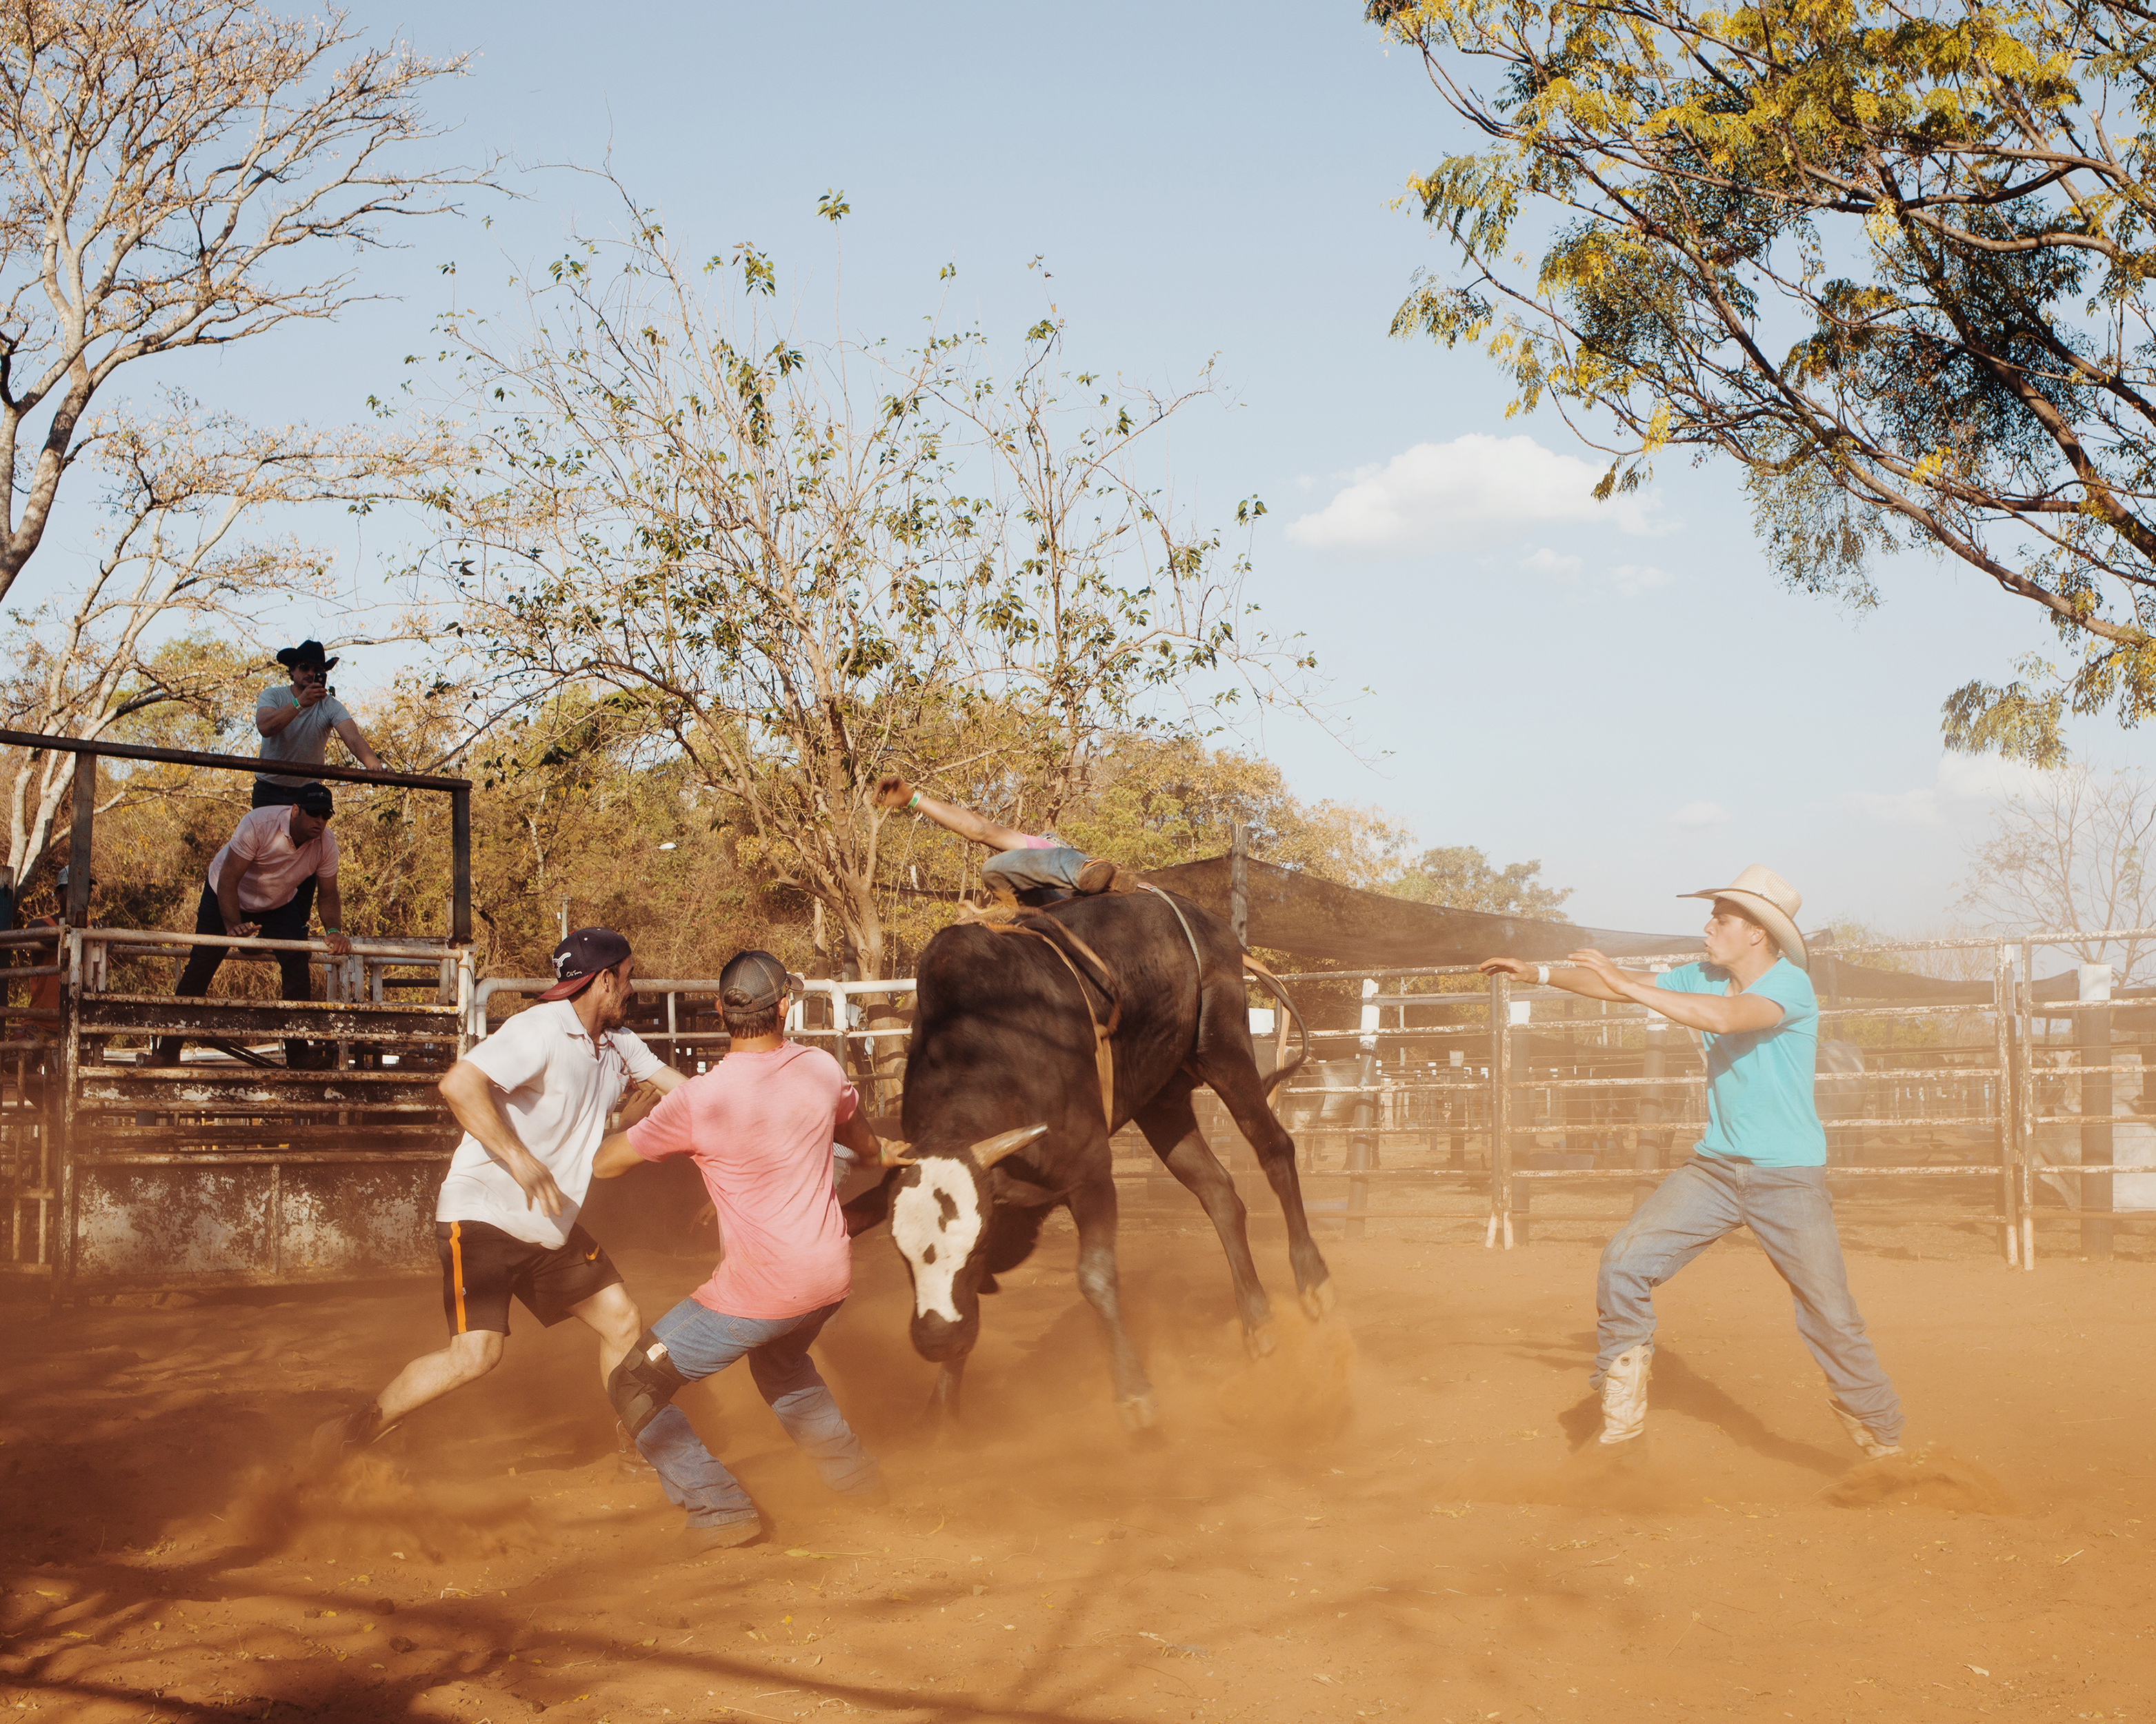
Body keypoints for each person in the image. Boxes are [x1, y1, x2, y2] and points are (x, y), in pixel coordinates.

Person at [1479, 864, 1906, 1462]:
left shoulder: (1790, 986)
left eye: (1721, 919)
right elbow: (1616, 982)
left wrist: (1627, 987)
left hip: (1786, 1176)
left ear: (1757, 933)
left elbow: (1723, 1019)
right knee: (1623, 1264)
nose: (1708, 928)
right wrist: (1541, 973)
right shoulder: (1702, 975)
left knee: (1830, 1314)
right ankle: (1622, 1428)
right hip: (1715, 1171)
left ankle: (1883, 1441)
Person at [313, 927, 686, 1463]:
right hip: (484, 1215)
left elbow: (687, 1093)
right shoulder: (539, 1028)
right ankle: (354, 1432)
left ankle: (635, 1443)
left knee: (622, 1319)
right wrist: (518, 1159)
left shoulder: (620, 1046)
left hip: (548, 1221)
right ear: (604, 980)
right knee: (476, 1355)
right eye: (628, 979)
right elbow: (459, 1085)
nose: (633, 990)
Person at [589, 948, 898, 1548]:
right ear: (785, 1006)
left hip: (760, 1294)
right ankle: (859, 1483)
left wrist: (629, 1118)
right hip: (828, 1278)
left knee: (633, 1384)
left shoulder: (698, 1100)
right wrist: (895, 1155)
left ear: (716, 1010)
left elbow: (606, 1167)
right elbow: (867, 1150)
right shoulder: (822, 1070)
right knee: (782, 1365)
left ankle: (718, 1506)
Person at [146, 784, 351, 1068]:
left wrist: (333, 931)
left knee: (297, 962)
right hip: (225, 893)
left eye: (326, 815)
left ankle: (298, 1055)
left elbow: (328, 894)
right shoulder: (258, 824)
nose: (320, 821)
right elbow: (229, 879)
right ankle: (168, 1052)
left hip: (277, 902)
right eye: (314, 813)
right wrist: (233, 925)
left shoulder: (327, 844)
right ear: (295, 810)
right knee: (201, 963)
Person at [872, 772, 1138, 905]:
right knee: (993, 872)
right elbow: (979, 829)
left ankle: (1099, 873)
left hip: (1078, 881)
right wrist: (913, 800)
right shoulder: (1039, 851)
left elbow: (981, 830)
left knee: (996, 867)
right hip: (1048, 898)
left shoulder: (1049, 846)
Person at [254, 639, 383, 809]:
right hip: (269, 790)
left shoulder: (329, 705)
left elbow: (353, 739)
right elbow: (265, 727)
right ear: (292, 671)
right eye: (304, 667)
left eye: (317, 669)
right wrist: (300, 703)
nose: (310, 673)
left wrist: (374, 767)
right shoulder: (272, 695)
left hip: (307, 794)